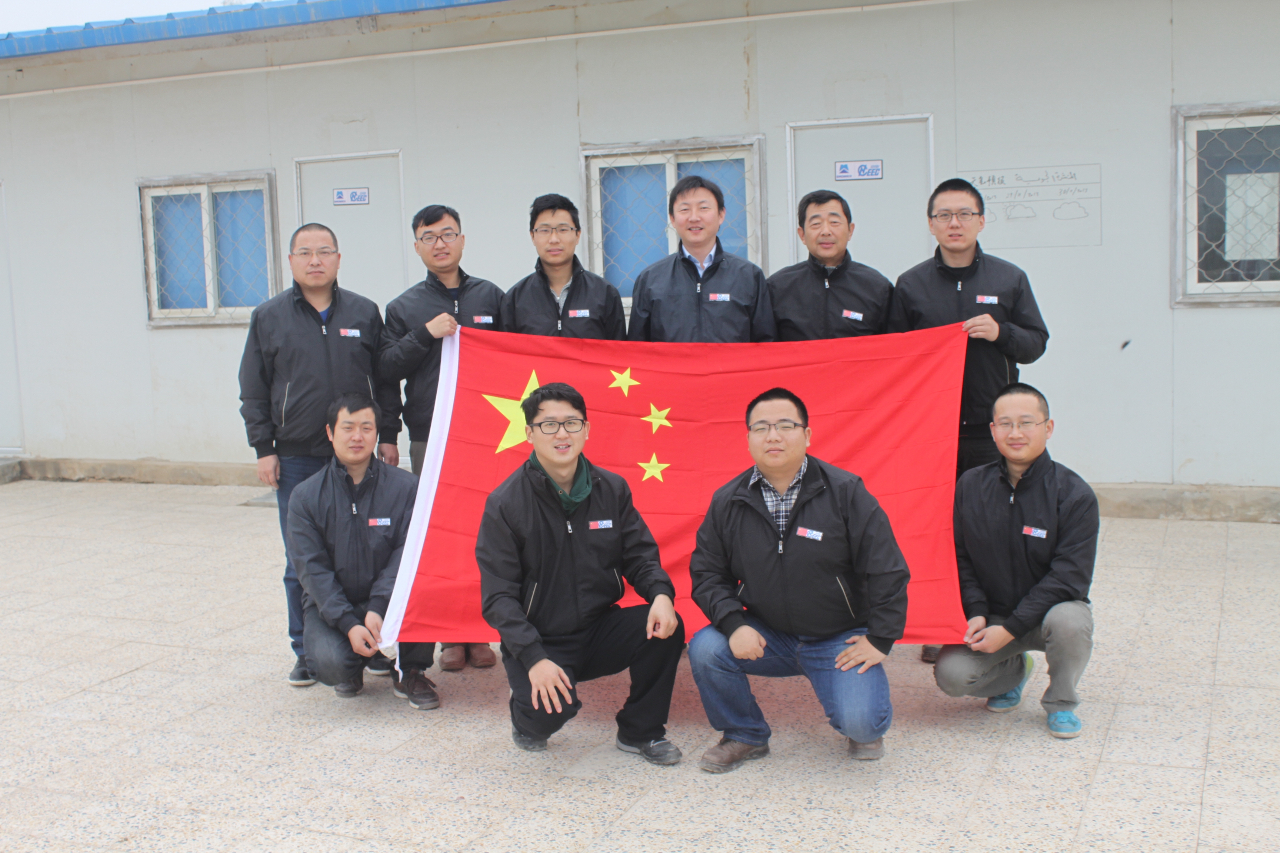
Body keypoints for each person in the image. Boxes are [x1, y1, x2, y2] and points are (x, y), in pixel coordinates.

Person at [687, 388, 910, 773]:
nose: (773, 436)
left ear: (807, 435)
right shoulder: (728, 501)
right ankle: (744, 733)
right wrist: (734, 624)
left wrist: (881, 638)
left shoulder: (845, 492)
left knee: (862, 724)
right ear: (748, 438)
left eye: (785, 426)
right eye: (761, 427)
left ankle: (858, 709)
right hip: (768, 634)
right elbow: (707, 574)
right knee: (706, 648)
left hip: (838, 637)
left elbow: (887, 568)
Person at [475, 383, 685, 764]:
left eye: (571, 423)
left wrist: (661, 594)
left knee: (667, 627)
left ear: (586, 429)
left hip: (598, 628)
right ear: (529, 433)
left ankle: (641, 731)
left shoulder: (612, 489)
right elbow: (498, 597)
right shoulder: (506, 503)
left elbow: (640, 555)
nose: (562, 434)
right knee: (547, 714)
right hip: (540, 638)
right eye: (549, 425)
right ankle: (524, 718)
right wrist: (533, 657)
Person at [888, 178, 1049, 663]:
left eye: (964, 214)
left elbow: (1036, 343)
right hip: (931, 431)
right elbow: (894, 356)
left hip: (991, 430)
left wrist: (1001, 333)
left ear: (981, 221)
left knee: (990, 527)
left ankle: (997, 620)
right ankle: (940, 622)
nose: (954, 223)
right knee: (935, 527)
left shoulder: (1008, 278)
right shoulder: (910, 285)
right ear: (931, 224)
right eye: (944, 215)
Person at [238, 223, 400, 686]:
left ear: (338, 258)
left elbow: (385, 380)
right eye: (305, 252)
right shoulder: (269, 316)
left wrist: (388, 434)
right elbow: (253, 387)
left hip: (360, 456)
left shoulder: (364, 312)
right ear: (290, 260)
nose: (315, 260)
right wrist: (264, 448)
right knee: (301, 559)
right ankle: (305, 650)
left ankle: (376, 642)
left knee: (372, 550)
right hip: (298, 457)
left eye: (324, 251)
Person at [934, 383, 1097, 739]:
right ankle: (1013, 674)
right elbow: (960, 555)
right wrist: (976, 610)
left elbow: (1070, 578)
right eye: (1005, 424)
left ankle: (1061, 702)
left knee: (1071, 622)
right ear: (993, 430)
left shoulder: (1074, 494)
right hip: (992, 614)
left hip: (1048, 614)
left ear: (1048, 428)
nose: (1015, 433)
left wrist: (1010, 629)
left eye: (1026, 423)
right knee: (951, 675)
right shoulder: (970, 485)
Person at [380, 204, 503, 673]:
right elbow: (386, 369)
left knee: (487, 533)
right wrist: (425, 335)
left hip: (487, 437)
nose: (440, 243)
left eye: (448, 234)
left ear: (462, 240)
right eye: (429, 237)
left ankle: (480, 630)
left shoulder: (492, 297)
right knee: (441, 534)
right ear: (417, 247)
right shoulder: (404, 307)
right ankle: (450, 635)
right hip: (429, 436)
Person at [288, 394, 423, 701]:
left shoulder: (407, 488)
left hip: (392, 601)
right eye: (348, 428)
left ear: (377, 433)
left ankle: (410, 669)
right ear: (330, 432)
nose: (357, 437)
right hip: (336, 604)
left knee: (421, 589)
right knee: (329, 664)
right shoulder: (306, 497)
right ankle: (353, 666)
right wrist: (348, 623)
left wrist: (379, 605)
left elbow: (408, 553)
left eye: (366, 428)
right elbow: (312, 570)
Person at [627, 175, 774, 343]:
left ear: (721, 215)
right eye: (685, 209)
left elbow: (766, 345)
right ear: (672, 219)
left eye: (703, 208)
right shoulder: (650, 280)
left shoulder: (749, 276)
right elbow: (637, 348)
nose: (694, 217)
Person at [767, 189, 893, 339]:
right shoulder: (777, 288)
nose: (826, 231)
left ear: (850, 230)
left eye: (834, 222)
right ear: (802, 235)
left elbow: (895, 346)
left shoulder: (877, 288)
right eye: (816, 224)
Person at [501, 194, 626, 340]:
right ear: (532, 236)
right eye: (544, 230)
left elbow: (618, 351)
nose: (554, 239)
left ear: (578, 235)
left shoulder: (604, 294)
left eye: (563, 229)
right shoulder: (515, 299)